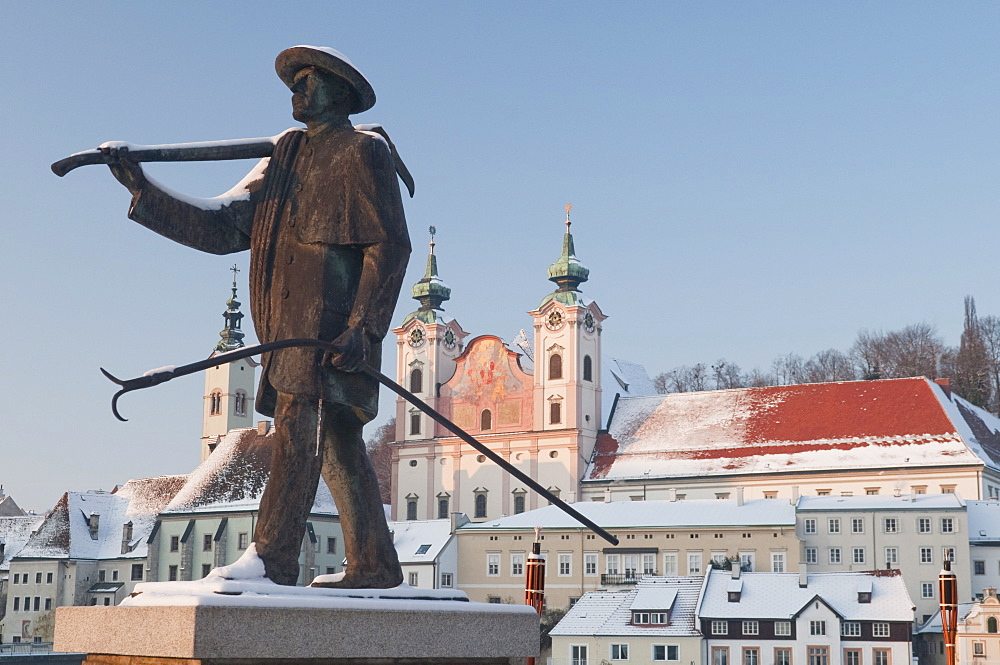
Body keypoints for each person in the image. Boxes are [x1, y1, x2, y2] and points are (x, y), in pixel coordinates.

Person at [104, 46, 409, 588]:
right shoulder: (283, 157)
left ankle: (271, 560)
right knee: (336, 442)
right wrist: (143, 188)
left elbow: (389, 246)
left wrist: (364, 326)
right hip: (284, 327)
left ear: (341, 93)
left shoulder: (364, 154)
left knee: (296, 429)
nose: (297, 89)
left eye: (310, 80)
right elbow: (224, 228)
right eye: (296, 81)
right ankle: (376, 564)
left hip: (332, 326)